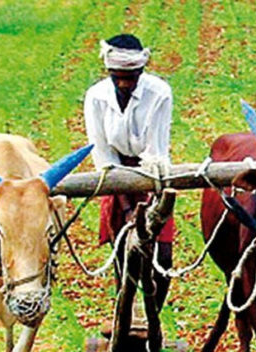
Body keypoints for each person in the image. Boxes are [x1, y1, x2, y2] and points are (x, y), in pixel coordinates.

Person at [84, 33, 174, 314]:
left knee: (162, 256)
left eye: (131, 76)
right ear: (109, 72)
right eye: (118, 76)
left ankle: (152, 318)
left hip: (153, 174)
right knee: (124, 251)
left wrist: (146, 208)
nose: (124, 83)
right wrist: (125, 208)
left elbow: (155, 151)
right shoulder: (96, 97)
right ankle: (124, 315)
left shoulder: (159, 93)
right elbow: (103, 155)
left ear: (141, 70)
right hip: (114, 176)